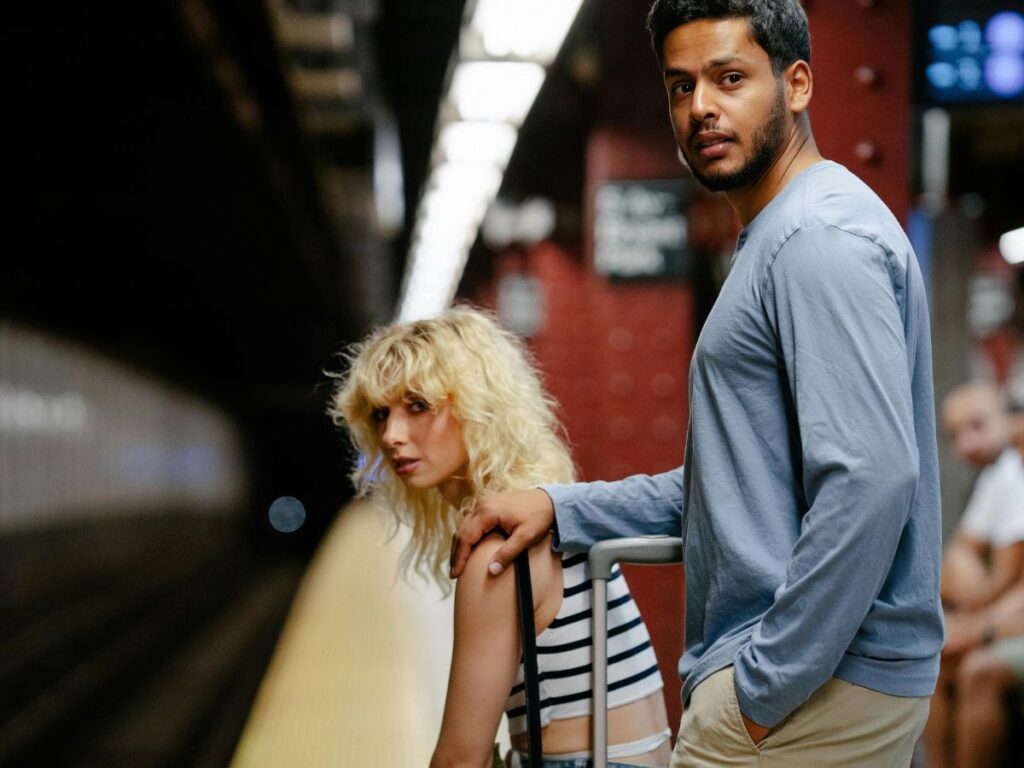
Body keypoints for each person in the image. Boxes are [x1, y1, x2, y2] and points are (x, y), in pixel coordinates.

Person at [450, 1, 943, 765]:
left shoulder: (815, 241)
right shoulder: (784, 235)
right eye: (681, 87)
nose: (701, 107)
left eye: (730, 78)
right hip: (823, 687)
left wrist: (762, 691)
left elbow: (872, 478)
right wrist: (561, 506)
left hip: (806, 694)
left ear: (799, 84)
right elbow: (737, 486)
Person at [330, 306, 672, 768]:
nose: (391, 435)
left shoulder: (500, 547)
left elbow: (460, 760)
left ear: (478, 408)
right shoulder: (548, 515)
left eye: (418, 406)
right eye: (379, 415)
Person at [923, 384, 1024, 768]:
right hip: (1002, 614)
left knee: (976, 669)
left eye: (978, 426)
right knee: (931, 661)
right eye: (955, 434)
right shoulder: (997, 476)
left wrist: (979, 628)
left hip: (1005, 624)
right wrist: (962, 564)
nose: (966, 443)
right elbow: (960, 553)